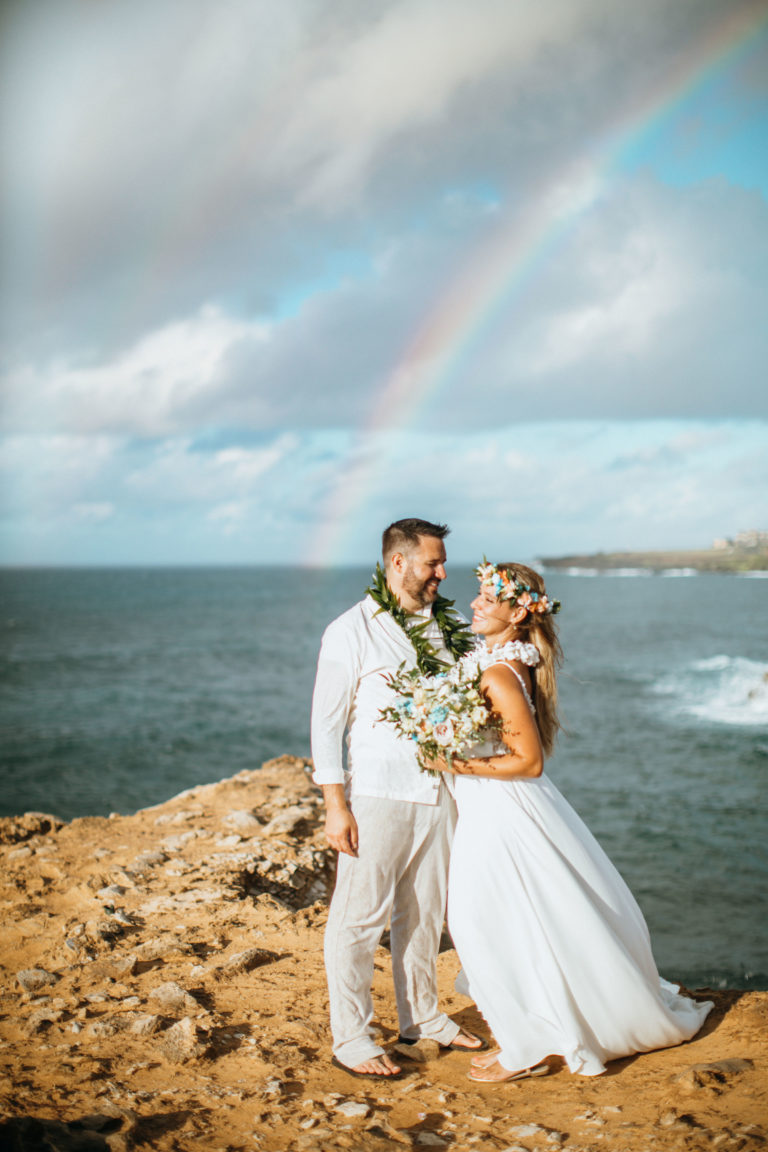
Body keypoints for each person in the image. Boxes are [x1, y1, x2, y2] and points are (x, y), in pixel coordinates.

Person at [436, 560, 714, 1083]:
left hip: (502, 810)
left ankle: (533, 1041)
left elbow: (529, 761)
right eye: (477, 594)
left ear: (519, 613)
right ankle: (531, 1030)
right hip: (497, 805)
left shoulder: (498, 672)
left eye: (487, 599)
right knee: (515, 920)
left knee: (480, 922)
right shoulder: (497, 661)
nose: (474, 603)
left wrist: (448, 761)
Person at [310, 518, 486, 1078]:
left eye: (442, 562)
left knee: (425, 914)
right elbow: (325, 724)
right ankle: (352, 1037)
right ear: (398, 563)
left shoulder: (452, 626)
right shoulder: (350, 630)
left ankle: (423, 1017)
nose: (441, 573)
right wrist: (336, 806)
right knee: (359, 920)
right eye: (432, 563)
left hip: (441, 792)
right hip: (377, 795)